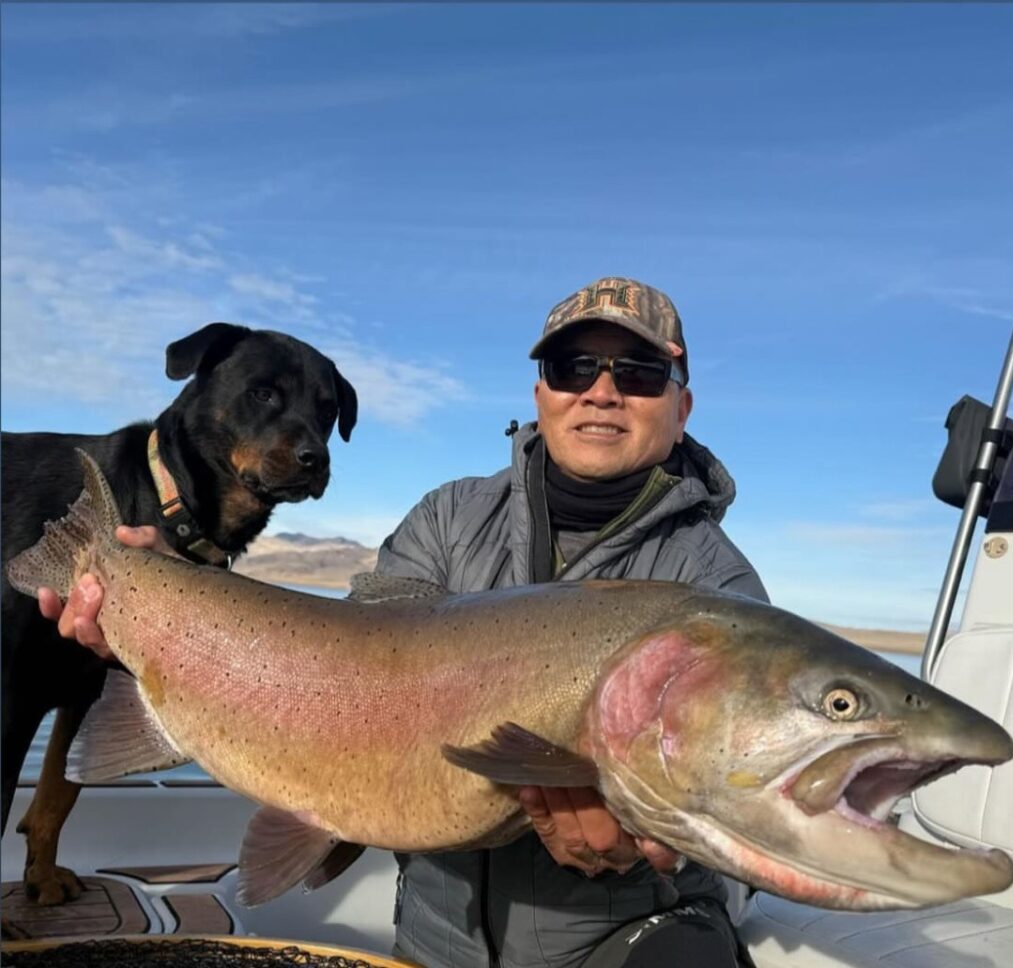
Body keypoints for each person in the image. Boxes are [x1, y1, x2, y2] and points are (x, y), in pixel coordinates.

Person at [42, 276, 767, 968]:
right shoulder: (449, 517)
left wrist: (651, 854)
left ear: (682, 406)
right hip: (434, 944)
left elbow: (750, 827)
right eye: (573, 365)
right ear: (542, 391)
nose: (602, 392)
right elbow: (347, 674)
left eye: (638, 372)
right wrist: (163, 599)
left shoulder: (721, 594)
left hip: (628, 939)